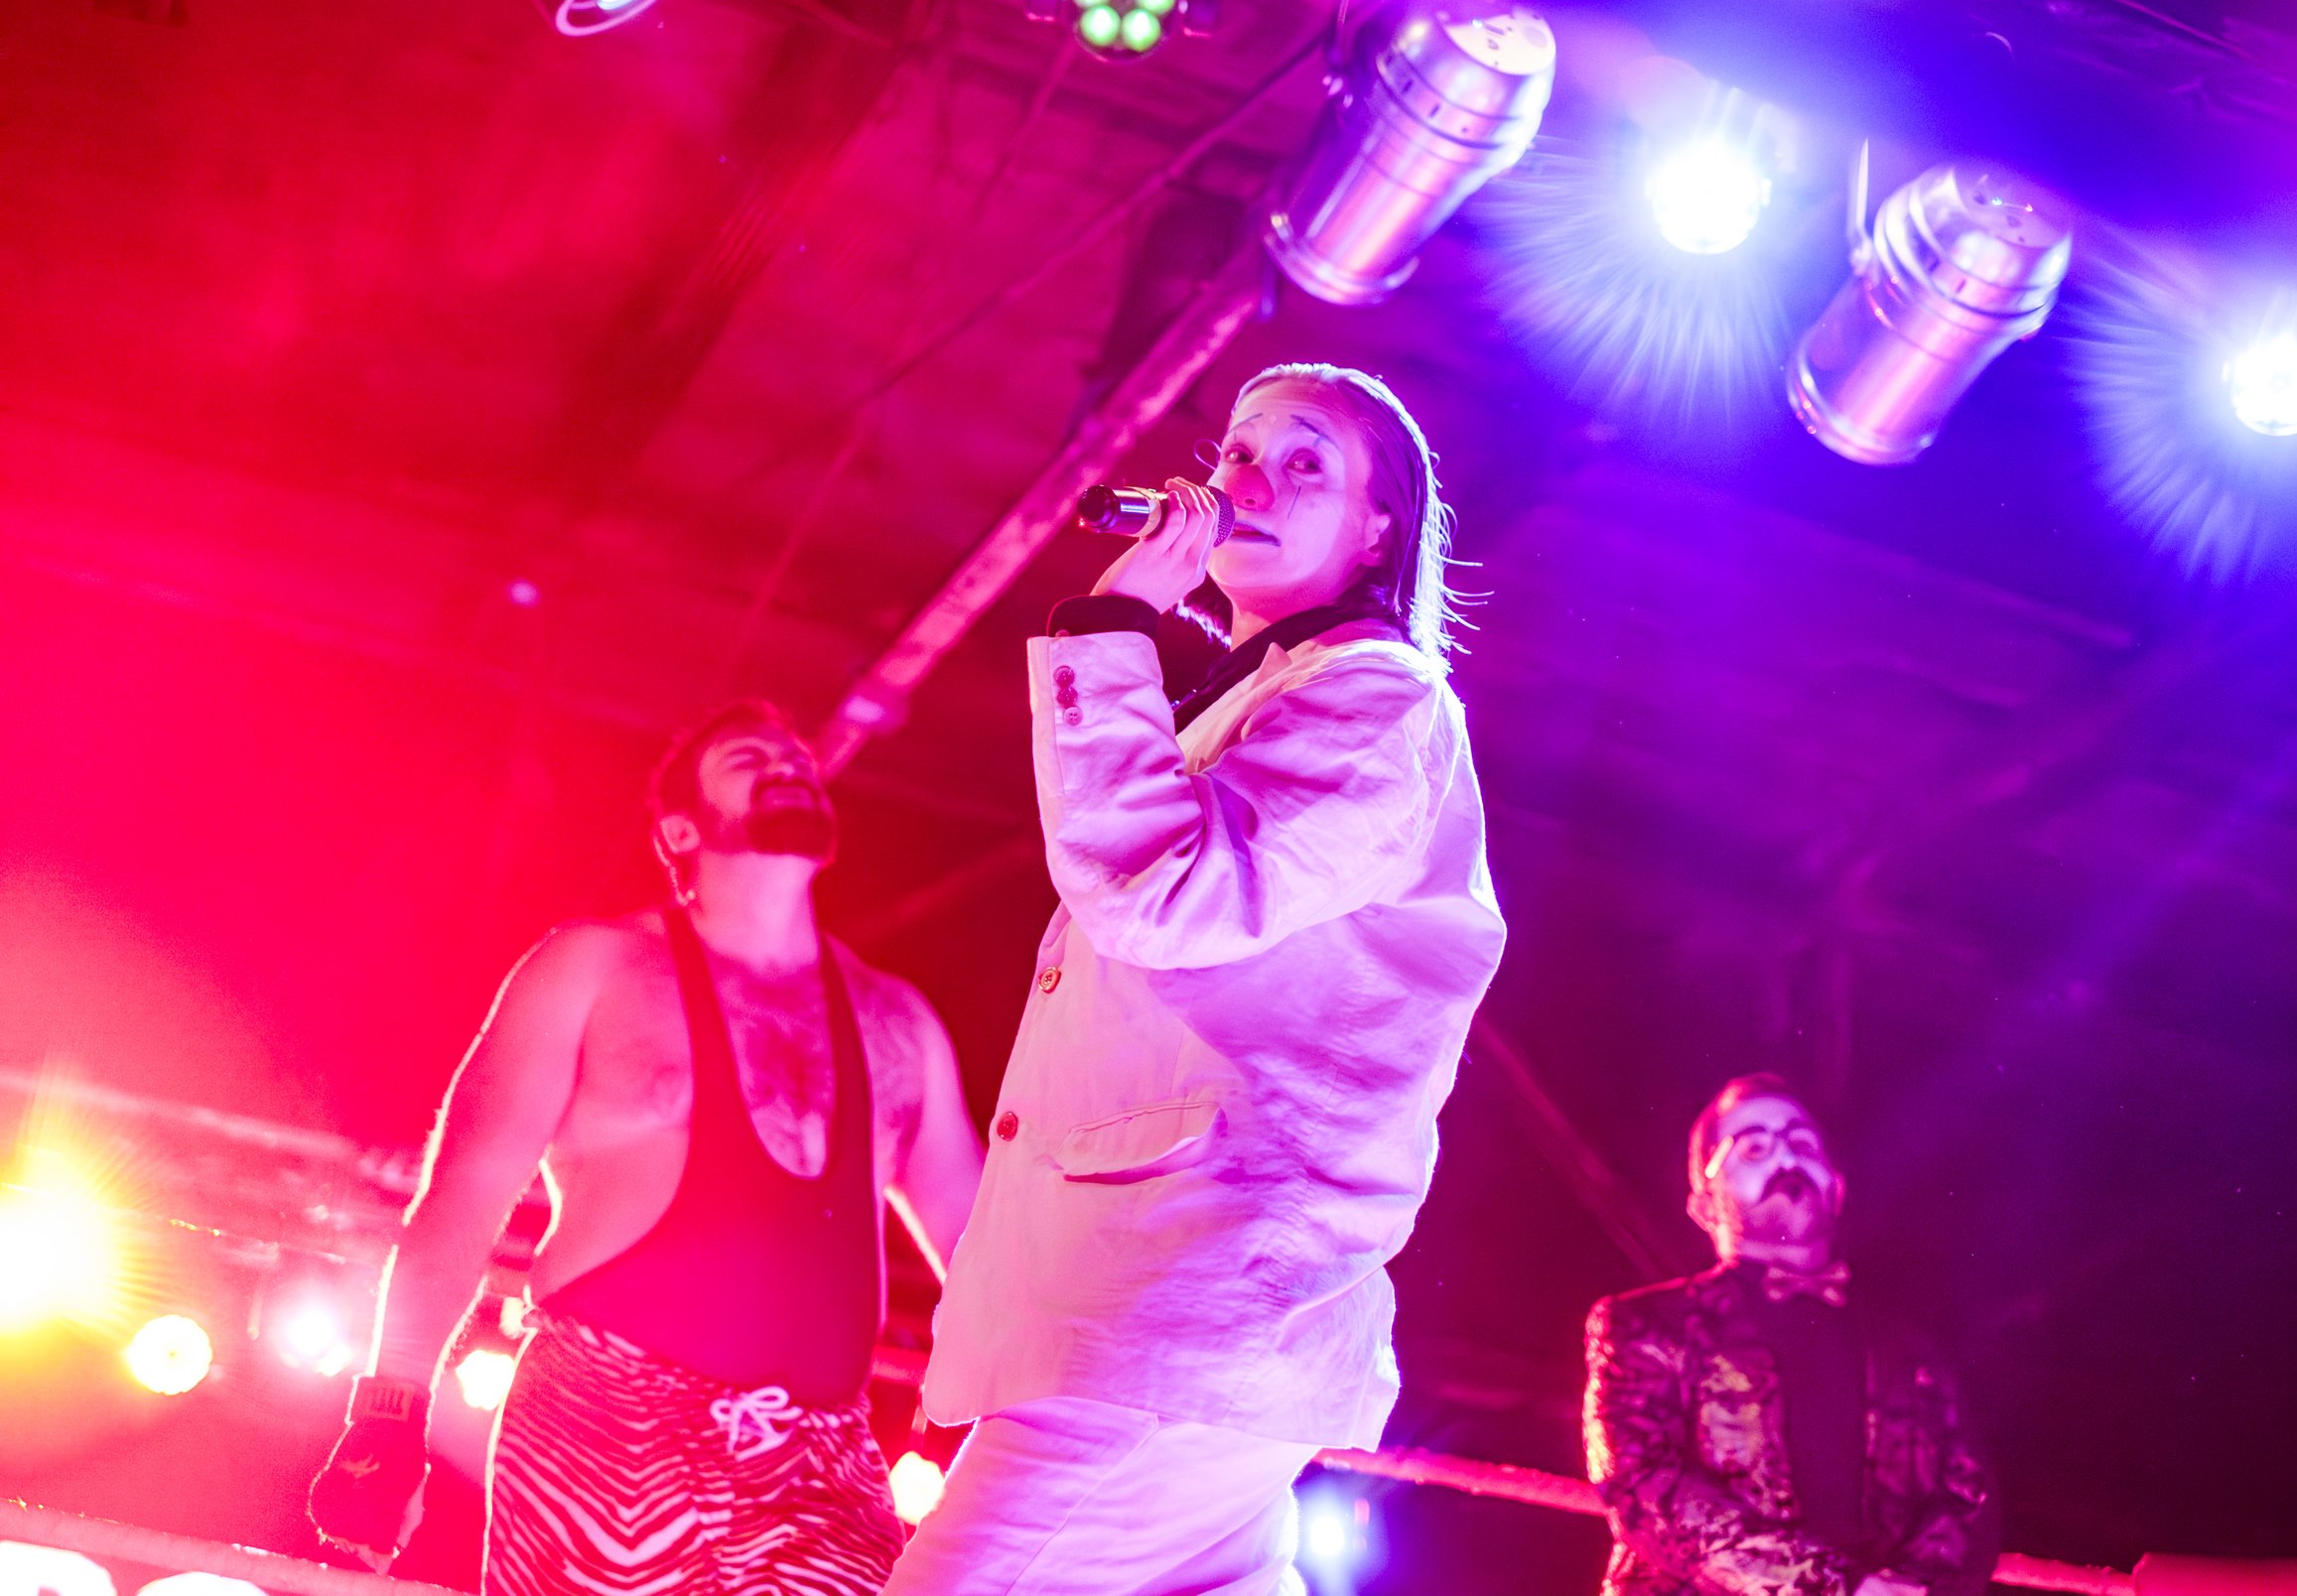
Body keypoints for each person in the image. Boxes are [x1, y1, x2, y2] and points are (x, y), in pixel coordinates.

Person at [882, 363, 1507, 1596]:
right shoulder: (1265, 699)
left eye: (1303, 461)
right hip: (1185, 1325)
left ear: (1379, 527)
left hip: (1176, 1319)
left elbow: (1168, 890)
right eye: (1237, 450)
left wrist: (1112, 627)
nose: (1245, 479)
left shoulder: (1382, 700)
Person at [308, 700, 984, 1595]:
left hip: (817, 1457)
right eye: (750, 756)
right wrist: (389, 1413)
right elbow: (467, 1189)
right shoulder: (595, 967)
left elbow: (988, 1257)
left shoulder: (900, 1022)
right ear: (679, 828)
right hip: (605, 1421)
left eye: (797, 757)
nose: (787, 764)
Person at [1583, 1075, 2000, 1596]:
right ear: (1705, 1206)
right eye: (1754, 1148)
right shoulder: (1642, 1323)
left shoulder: (1912, 1349)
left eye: (1802, 1144)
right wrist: (1842, 1588)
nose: (1785, 1158)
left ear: (1836, 1187)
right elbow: (1645, 1488)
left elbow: (1968, 1500)